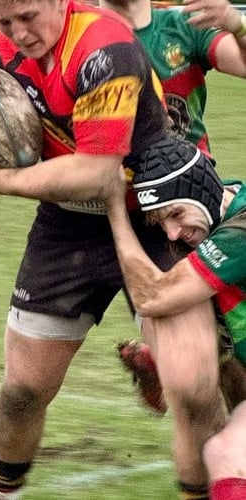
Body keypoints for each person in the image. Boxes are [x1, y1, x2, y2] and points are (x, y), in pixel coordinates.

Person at [0, 0, 229, 498]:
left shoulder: (102, 45)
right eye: (5, 23)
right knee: (23, 390)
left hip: (158, 217)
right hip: (67, 225)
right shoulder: (3, 49)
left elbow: (96, 171)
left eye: (28, 17)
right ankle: (2, 492)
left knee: (194, 387)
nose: (19, 34)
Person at [99, 0, 246, 415]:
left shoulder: (181, 27)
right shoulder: (80, 35)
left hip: (188, 203)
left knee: (222, 327)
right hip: (108, 205)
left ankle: (167, 367)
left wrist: (238, 26)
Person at [102, 142, 246, 500]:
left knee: (226, 453)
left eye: (177, 215)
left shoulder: (240, 231)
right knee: (224, 450)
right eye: (162, 221)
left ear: (201, 190)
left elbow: (153, 297)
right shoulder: (223, 202)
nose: (171, 233)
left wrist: (115, 210)